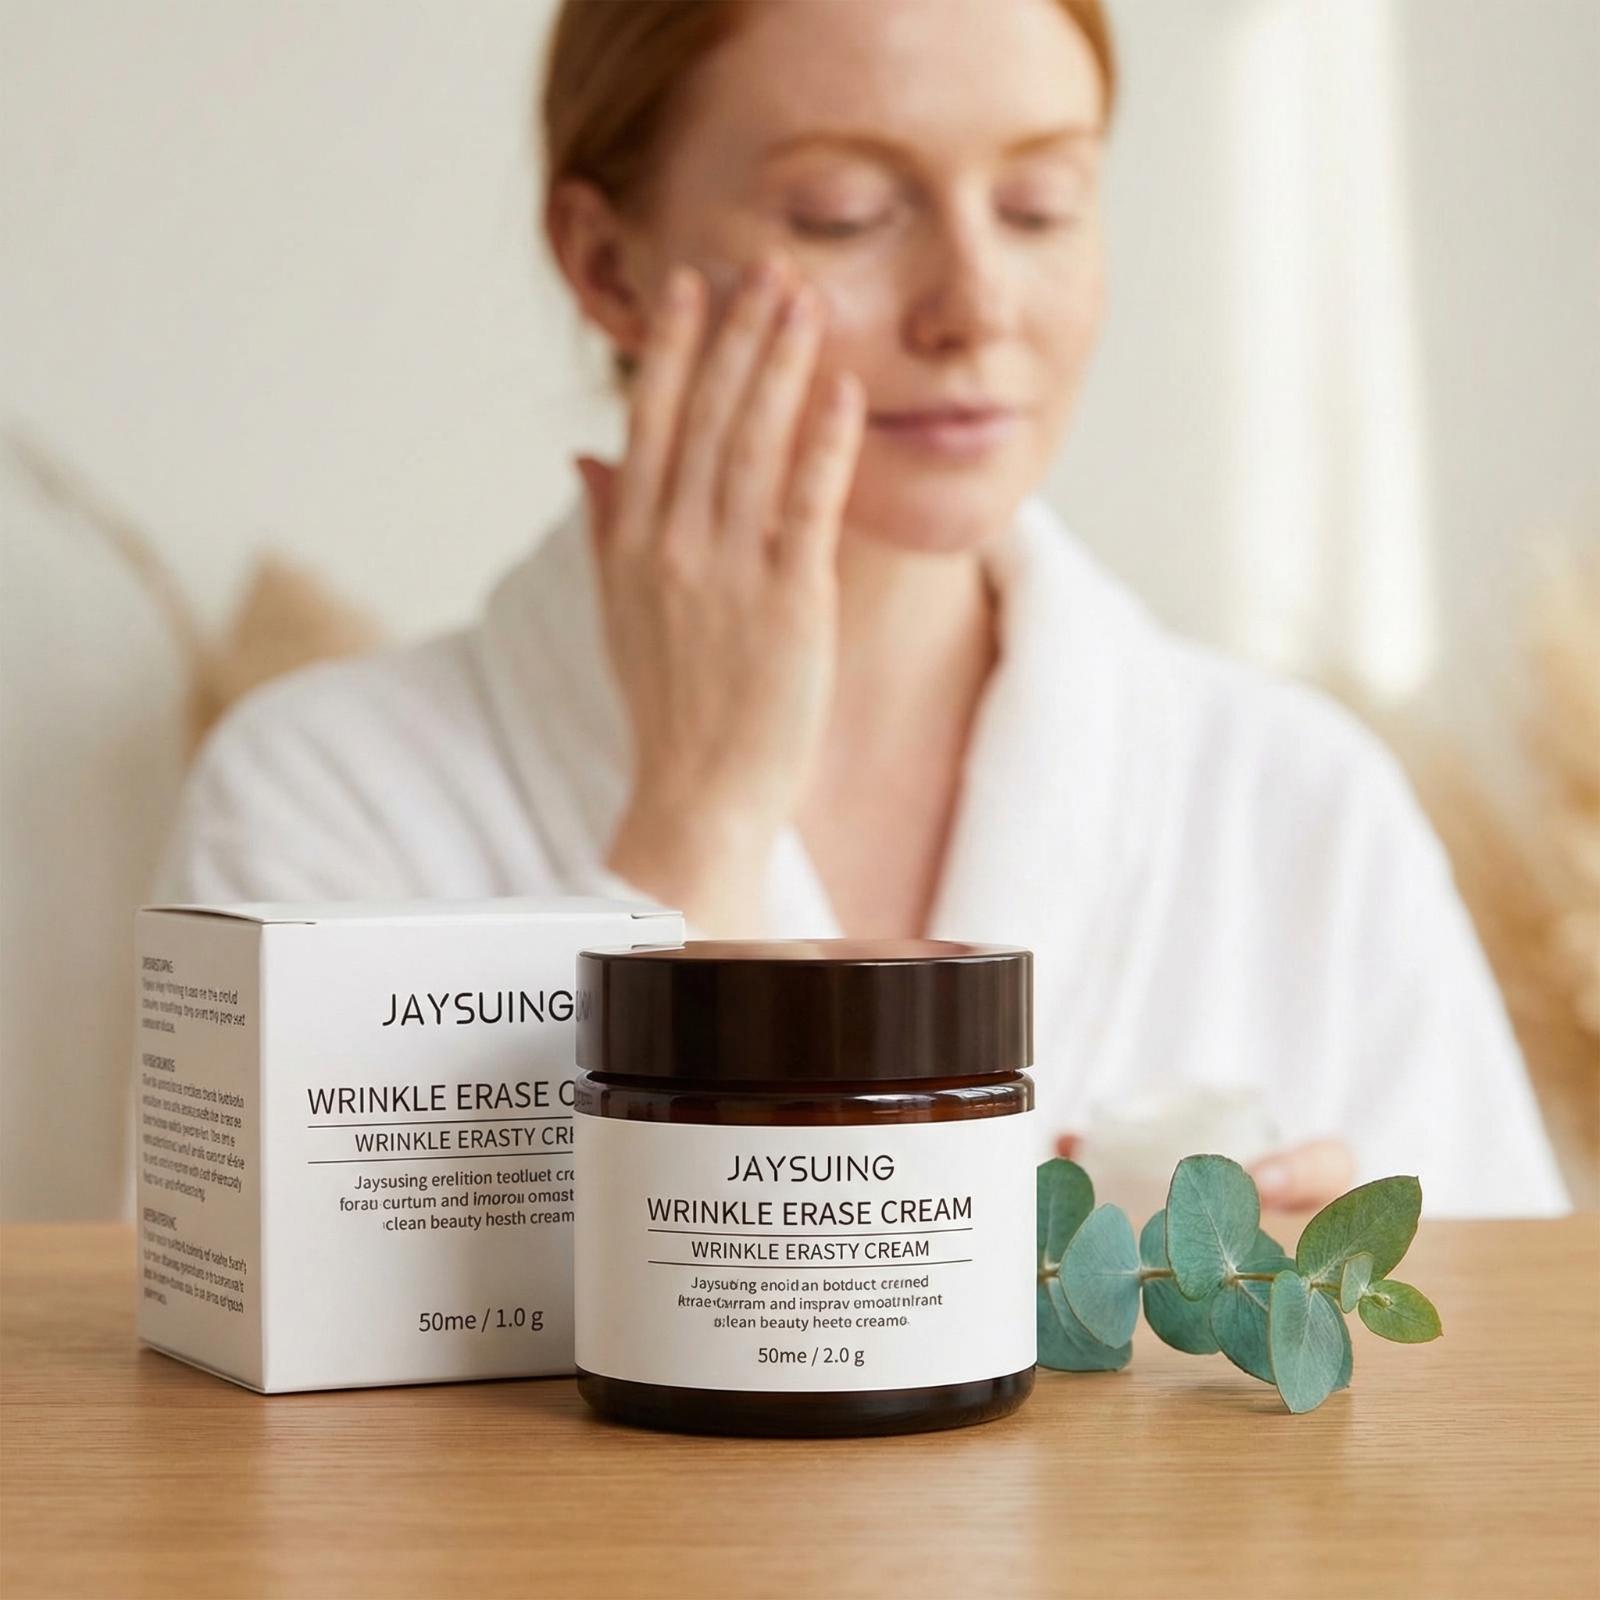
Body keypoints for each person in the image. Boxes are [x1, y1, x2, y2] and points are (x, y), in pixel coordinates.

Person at [150, 0, 1568, 1218]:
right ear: (606, 264)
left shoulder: (1292, 800)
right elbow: (241, 1421)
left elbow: (1514, 1396)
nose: (975, 305)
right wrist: (698, 821)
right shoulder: (321, 801)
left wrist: (1310, 1331)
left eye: (1041, 205)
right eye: (845, 212)